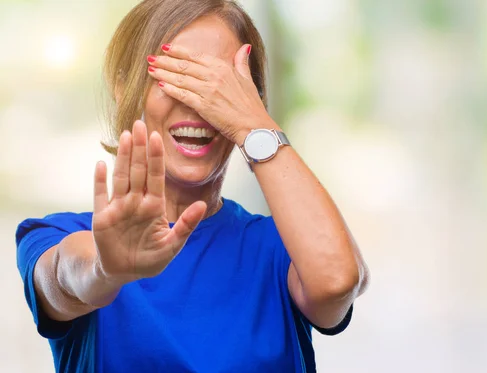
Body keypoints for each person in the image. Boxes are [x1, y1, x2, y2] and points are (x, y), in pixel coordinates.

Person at [15, 0, 370, 372]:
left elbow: (335, 282)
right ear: (124, 87)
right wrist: (106, 270)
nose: (198, 105)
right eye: (174, 78)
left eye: (220, 87)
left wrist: (254, 129)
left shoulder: (282, 248)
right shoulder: (57, 234)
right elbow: (65, 278)